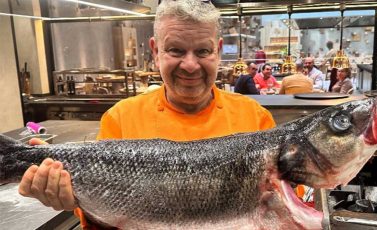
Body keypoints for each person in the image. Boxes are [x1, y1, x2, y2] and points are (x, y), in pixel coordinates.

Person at [18, 0, 276, 229]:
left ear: (218, 50)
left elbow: (280, 209)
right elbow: (101, 218)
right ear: (155, 51)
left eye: (203, 51)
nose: (189, 64)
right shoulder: (120, 118)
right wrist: (66, 193)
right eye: (175, 50)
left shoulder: (255, 118)